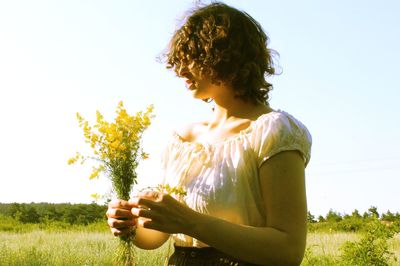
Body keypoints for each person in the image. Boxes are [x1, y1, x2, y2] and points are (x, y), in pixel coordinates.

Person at [106, 2, 312, 265]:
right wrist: (131, 224)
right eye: (178, 60)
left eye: (191, 57)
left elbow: (288, 250)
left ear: (225, 56)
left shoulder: (274, 131)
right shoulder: (182, 140)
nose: (180, 70)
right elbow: (156, 238)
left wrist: (189, 221)